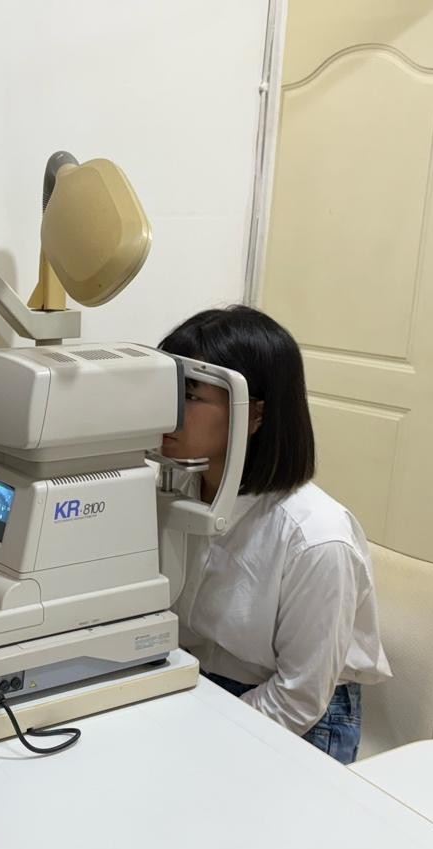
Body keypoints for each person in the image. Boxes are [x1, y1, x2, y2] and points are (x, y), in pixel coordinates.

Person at [160, 306, 390, 764]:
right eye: (165, 388)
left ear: (254, 414)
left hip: (298, 715)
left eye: (189, 394)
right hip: (202, 682)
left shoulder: (316, 538)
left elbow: (298, 697)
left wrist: (197, 740)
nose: (166, 410)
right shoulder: (178, 489)